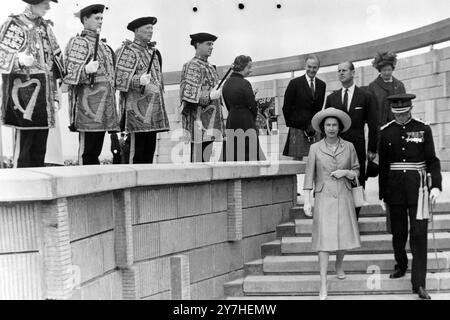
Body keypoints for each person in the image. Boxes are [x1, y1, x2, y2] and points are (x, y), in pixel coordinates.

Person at [379, 93, 442, 300]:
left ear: (410, 110)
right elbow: (384, 167)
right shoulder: (386, 132)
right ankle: (401, 264)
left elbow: (432, 160)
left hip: (419, 189)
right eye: (397, 114)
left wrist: (436, 186)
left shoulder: (423, 129)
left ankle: (419, 284)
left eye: (404, 113)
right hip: (395, 189)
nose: (401, 118)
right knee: (399, 234)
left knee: (419, 234)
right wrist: (382, 195)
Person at [303, 107, 361, 300]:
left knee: (343, 235)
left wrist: (347, 173)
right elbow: (309, 175)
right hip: (323, 196)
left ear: (340, 127)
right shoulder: (314, 148)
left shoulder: (350, 147)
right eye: (328, 125)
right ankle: (323, 284)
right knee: (324, 241)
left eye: (334, 125)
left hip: (344, 194)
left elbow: (357, 171)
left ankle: (339, 264)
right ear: (322, 127)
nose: (331, 128)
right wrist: (307, 201)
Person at [0, 0, 64, 168]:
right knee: (24, 147)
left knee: (40, 147)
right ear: (33, 3)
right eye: (45, 3)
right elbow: (2, 56)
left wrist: (55, 96)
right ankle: (23, 186)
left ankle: (38, 188)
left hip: (45, 94)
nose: (48, 8)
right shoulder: (13, 24)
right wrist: (19, 60)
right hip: (24, 94)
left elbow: (54, 65)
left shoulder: (45, 28)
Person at [64, 4, 119, 165]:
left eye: (102, 18)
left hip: (103, 109)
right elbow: (69, 74)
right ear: (85, 19)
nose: (100, 21)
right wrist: (85, 70)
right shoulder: (79, 42)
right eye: (96, 18)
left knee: (96, 152)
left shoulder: (104, 46)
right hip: (87, 108)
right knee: (87, 154)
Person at [325, 61, 379, 219]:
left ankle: (353, 220)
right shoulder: (332, 98)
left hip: (357, 148)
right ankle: (340, 220)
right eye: (339, 70)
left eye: (345, 70)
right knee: (337, 182)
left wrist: (372, 149)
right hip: (336, 149)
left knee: (357, 182)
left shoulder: (366, 96)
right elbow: (325, 125)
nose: (341, 73)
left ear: (353, 73)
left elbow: (373, 124)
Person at [115, 16, 170, 164]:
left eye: (152, 28)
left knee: (149, 152)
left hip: (152, 113)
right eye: (147, 28)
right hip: (136, 113)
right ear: (137, 30)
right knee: (136, 153)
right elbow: (119, 79)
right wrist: (137, 80)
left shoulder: (153, 52)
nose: (151, 31)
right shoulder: (128, 51)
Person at [180, 33, 224, 162]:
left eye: (212, 44)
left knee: (207, 156)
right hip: (199, 119)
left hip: (211, 118)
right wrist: (209, 96)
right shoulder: (192, 65)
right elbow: (189, 94)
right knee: (199, 158)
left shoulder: (210, 66)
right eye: (208, 44)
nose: (211, 47)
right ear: (198, 45)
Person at [283, 55, 326, 160]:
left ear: (318, 68)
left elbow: (319, 108)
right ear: (304, 66)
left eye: (314, 67)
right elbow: (286, 107)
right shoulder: (294, 83)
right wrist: (296, 125)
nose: (311, 70)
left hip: (315, 128)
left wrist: (314, 125)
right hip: (298, 128)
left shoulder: (322, 85)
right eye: (309, 66)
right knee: (296, 162)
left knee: (318, 159)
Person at [221, 55, 264, 161]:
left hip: (231, 121)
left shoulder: (226, 83)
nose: (250, 70)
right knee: (250, 155)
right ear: (242, 67)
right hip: (246, 122)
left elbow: (227, 104)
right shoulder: (245, 83)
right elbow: (252, 106)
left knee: (233, 155)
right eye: (249, 67)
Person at [368, 52, 406, 127]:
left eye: (389, 70)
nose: (386, 73)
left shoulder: (399, 85)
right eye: (384, 70)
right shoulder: (373, 86)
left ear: (392, 69)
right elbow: (370, 109)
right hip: (379, 127)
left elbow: (405, 106)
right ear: (380, 70)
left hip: (398, 124)